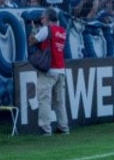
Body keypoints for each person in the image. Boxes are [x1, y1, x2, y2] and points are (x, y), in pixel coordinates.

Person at [30, 7, 69, 135]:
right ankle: (63, 126)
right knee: (59, 101)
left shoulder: (46, 29)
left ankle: (45, 128)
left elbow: (32, 41)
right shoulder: (62, 31)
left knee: (44, 99)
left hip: (48, 69)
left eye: (42, 18)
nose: (41, 20)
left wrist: (34, 30)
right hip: (60, 69)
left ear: (46, 18)